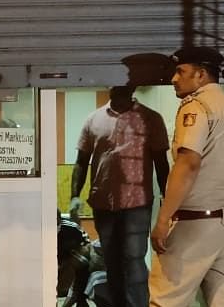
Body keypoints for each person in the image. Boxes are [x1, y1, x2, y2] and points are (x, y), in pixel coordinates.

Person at [149, 46, 224, 306]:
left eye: (180, 71)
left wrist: (163, 220)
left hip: (194, 222)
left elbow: (188, 164)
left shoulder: (196, 107)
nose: (174, 79)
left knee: (166, 299)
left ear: (200, 75)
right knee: (223, 299)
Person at [70, 85, 170, 307]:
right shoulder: (93, 119)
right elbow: (81, 161)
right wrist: (74, 197)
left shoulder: (150, 119)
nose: (118, 87)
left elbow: (161, 164)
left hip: (137, 204)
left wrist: (168, 201)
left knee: (133, 261)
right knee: (112, 263)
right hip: (103, 204)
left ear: (132, 86)